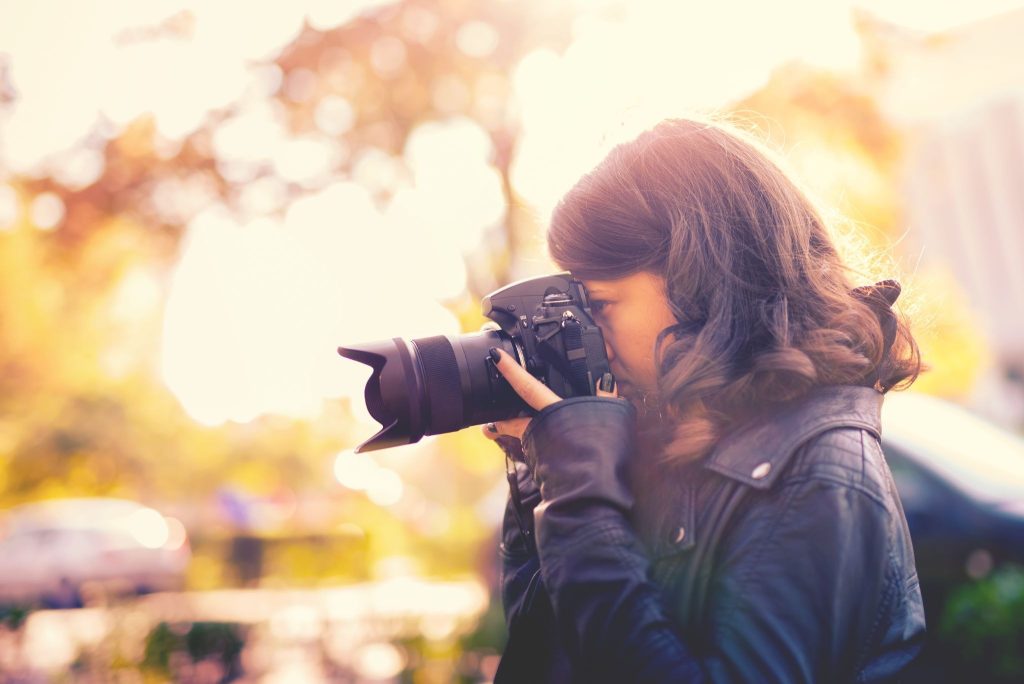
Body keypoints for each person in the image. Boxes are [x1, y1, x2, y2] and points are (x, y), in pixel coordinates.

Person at [481, 118, 925, 683]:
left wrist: (580, 504)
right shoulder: (674, 440)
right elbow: (549, 659)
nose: (587, 333)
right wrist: (540, 472)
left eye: (601, 305)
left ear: (697, 281)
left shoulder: (817, 473)